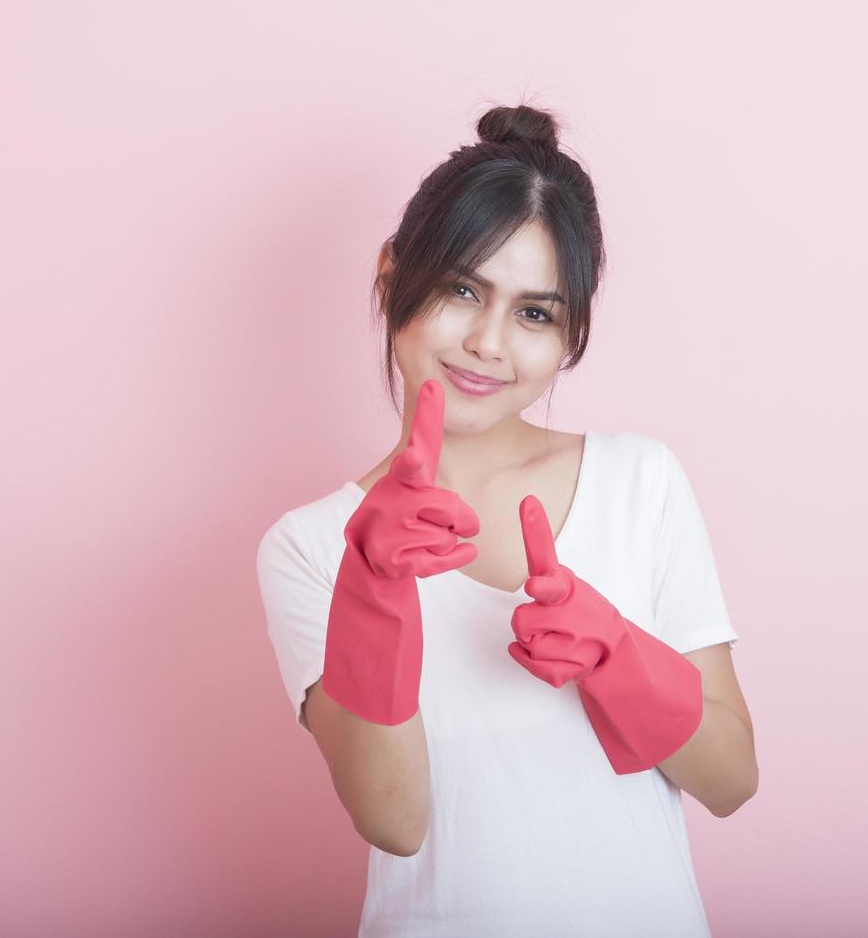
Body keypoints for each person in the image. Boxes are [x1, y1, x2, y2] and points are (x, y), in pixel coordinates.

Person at [256, 103, 757, 936]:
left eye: (534, 313)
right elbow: (394, 819)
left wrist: (619, 653)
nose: (489, 342)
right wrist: (373, 594)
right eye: (463, 289)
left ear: (569, 336)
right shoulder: (310, 546)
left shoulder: (641, 481)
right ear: (392, 274)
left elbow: (732, 782)